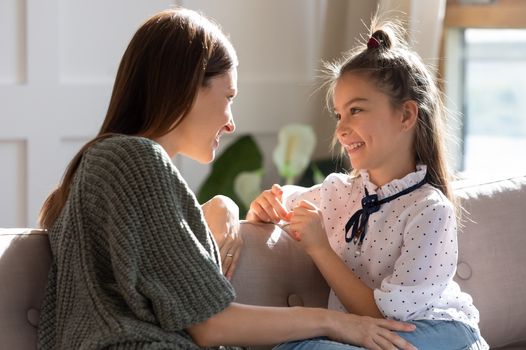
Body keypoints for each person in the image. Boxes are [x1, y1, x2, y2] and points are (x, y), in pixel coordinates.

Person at [36, 8, 417, 350]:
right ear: (187, 86)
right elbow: (210, 324)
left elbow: (148, 251)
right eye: (228, 95)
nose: (232, 120)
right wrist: (335, 322)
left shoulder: (108, 163)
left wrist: (220, 205)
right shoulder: (135, 158)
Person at [247, 18, 490, 350]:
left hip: (440, 332)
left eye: (356, 110)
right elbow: (282, 204)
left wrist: (319, 246)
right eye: (338, 115)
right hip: (371, 334)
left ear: (406, 116)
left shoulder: (430, 211)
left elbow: (385, 316)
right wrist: (262, 207)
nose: (341, 129)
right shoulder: (337, 194)